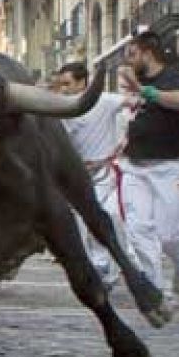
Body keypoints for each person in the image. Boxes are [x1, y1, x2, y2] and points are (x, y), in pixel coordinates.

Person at [116, 30, 179, 296]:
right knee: (138, 229)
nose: (129, 60)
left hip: (167, 167)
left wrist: (143, 90)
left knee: (168, 233)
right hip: (134, 166)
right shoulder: (135, 82)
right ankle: (155, 288)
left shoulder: (170, 76)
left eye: (133, 54)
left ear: (147, 52)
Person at [51, 61, 132, 289]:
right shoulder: (59, 108)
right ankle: (99, 267)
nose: (64, 89)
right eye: (61, 85)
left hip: (106, 173)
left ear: (83, 82)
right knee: (79, 224)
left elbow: (133, 103)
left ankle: (109, 266)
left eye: (68, 84)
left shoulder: (105, 101)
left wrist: (127, 134)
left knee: (106, 216)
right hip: (78, 176)